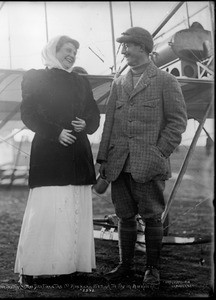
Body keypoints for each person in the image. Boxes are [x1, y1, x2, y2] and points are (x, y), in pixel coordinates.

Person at [96, 27, 188, 285]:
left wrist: (158, 152)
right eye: (123, 46)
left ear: (143, 48)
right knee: (124, 215)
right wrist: (103, 158)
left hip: (149, 164)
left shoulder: (166, 81)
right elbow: (110, 124)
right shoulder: (118, 83)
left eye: (128, 45)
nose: (123, 50)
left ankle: (152, 269)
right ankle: (124, 266)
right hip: (118, 163)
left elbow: (177, 123)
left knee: (151, 216)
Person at [14, 35, 100, 285]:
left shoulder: (80, 82)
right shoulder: (35, 77)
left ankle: (71, 268)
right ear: (54, 50)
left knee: (74, 212)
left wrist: (86, 123)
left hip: (78, 154)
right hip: (50, 154)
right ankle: (33, 271)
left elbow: (93, 115)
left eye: (75, 51)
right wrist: (55, 132)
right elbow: (28, 113)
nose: (72, 54)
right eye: (67, 49)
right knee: (47, 212)